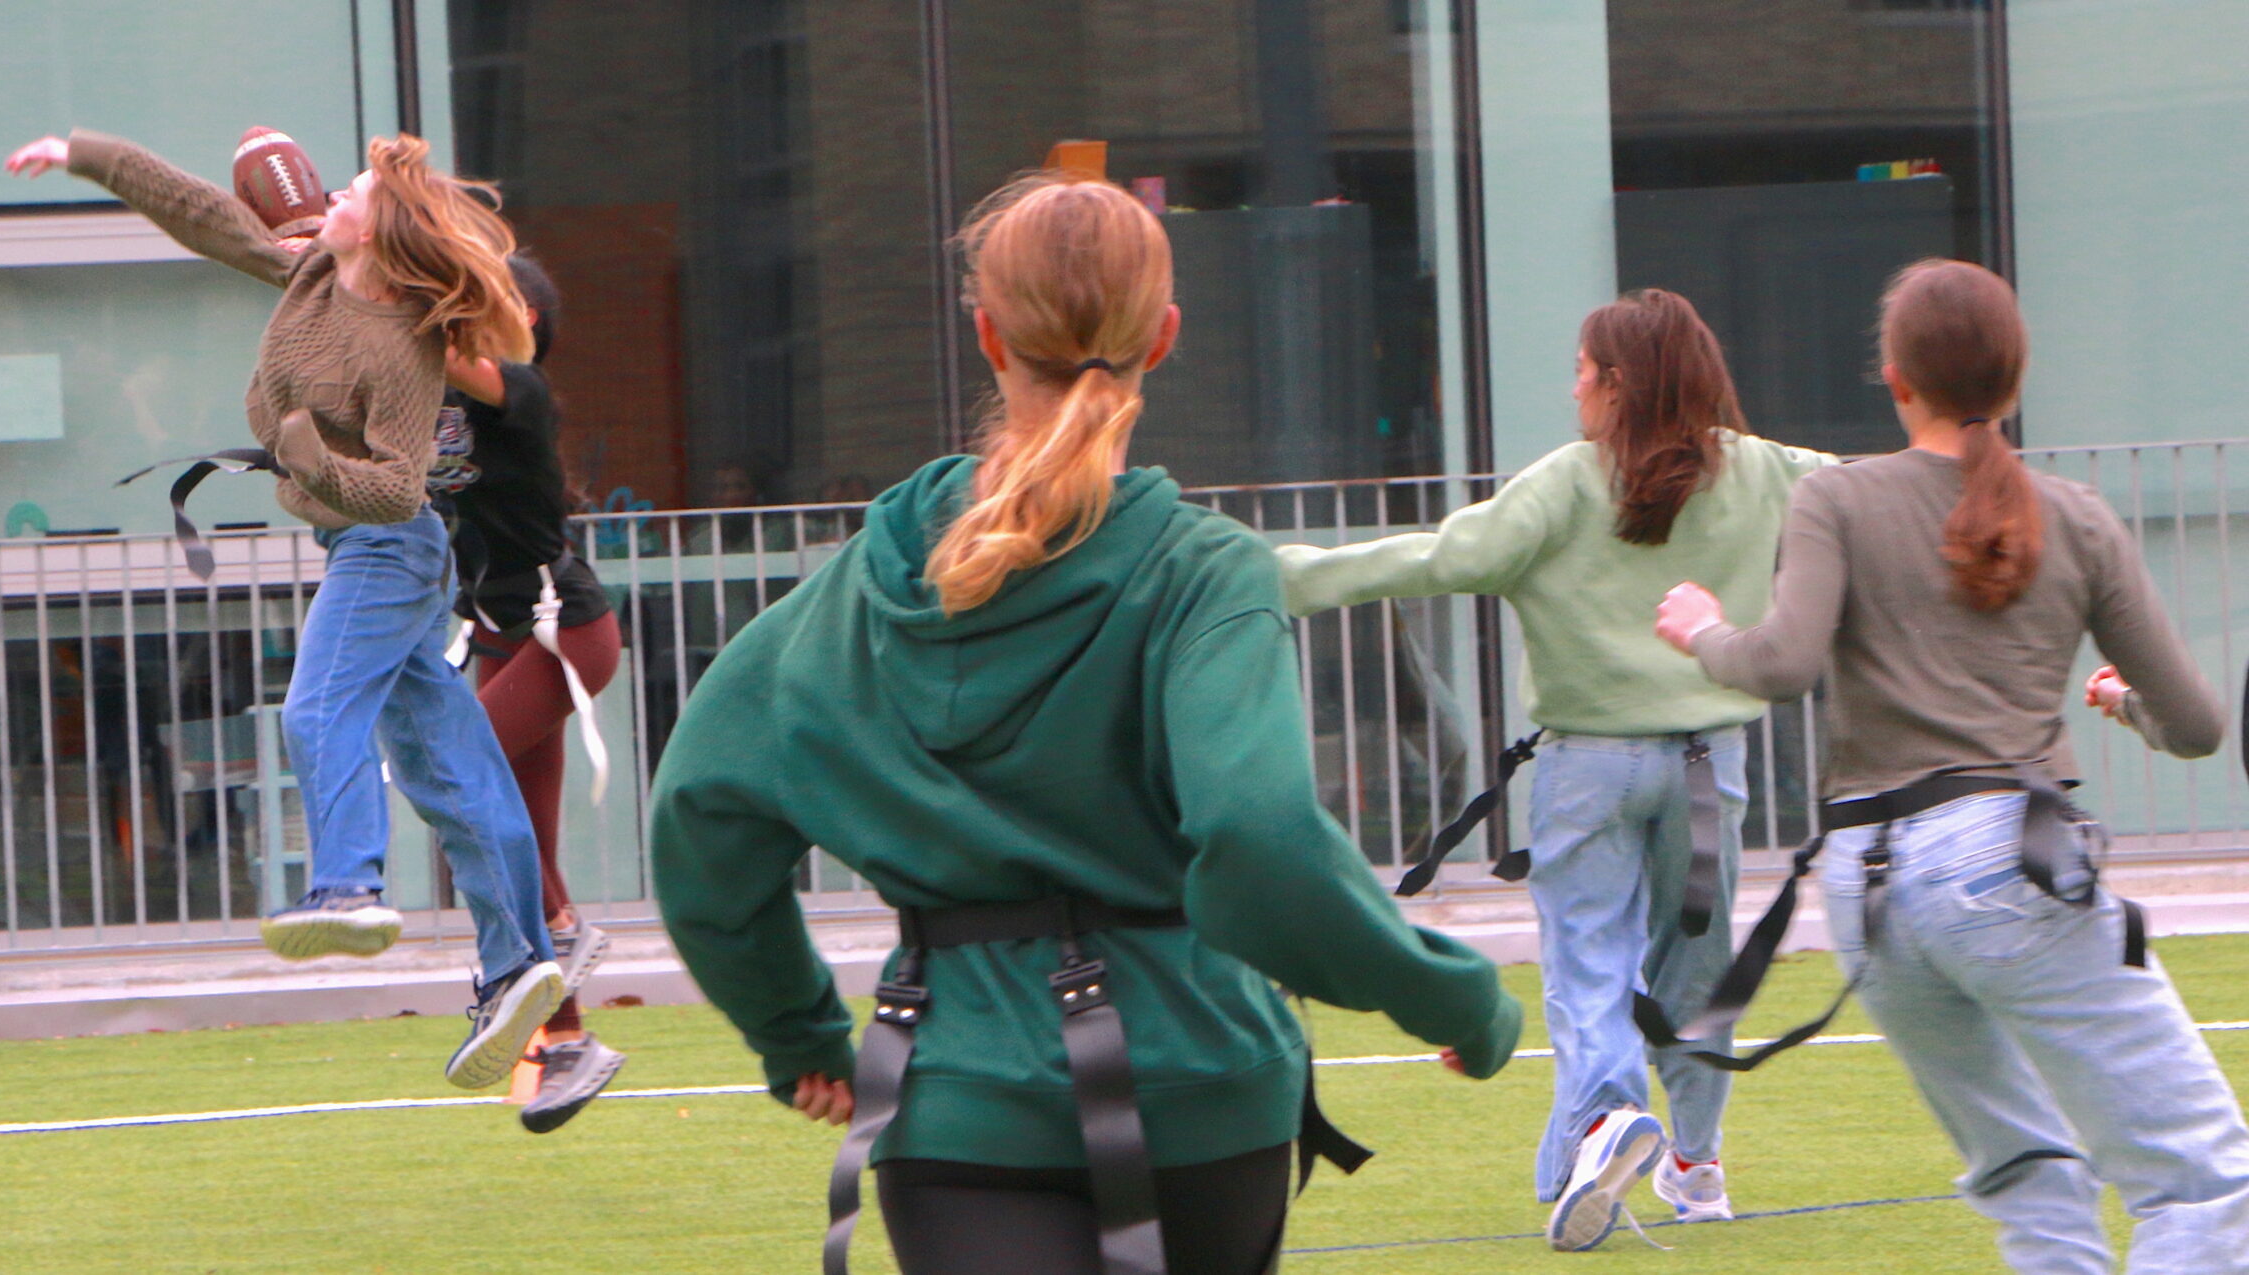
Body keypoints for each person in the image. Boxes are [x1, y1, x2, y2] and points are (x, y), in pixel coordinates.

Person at [649, 172, 1521, 1275]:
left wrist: (797, 1032)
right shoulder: (1205, 573)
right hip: (1200, 1084)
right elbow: (1257, 833)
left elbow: (700, 818)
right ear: (1162, 338)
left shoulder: (859, 589)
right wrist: (1449, 995)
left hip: (955, 1096)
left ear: (986, 332)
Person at [1657, 259, 2249, 1270]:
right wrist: (2125, 706)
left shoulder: (1835, 500)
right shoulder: (2079, 516)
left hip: (1869, 890)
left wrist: (1704, 630)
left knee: (2029, 1173)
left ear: (1895, 379)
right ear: (2014, 379)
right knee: (2201, 1181)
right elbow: (2195, 727)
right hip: (2008, 865)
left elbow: (1782, 664)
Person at [1274, 289, 1834, 1250]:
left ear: (1617, 383)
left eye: (1583, 369)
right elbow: (1895, 493)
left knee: (1591, 966)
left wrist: (1273, 574)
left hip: (1593, 768)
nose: (1572, 386)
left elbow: (1430, 557)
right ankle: (1694, 1166)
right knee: (1697, 970)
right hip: (1713, 769)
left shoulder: (1567, 482)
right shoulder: (1769, 472)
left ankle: (1607, 1127)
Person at [4, 129, 563, 1088]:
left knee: (315, 708)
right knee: (450, 762)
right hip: (358, 543)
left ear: (378, 235)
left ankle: (348, 883)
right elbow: (202, 212)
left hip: (390, 544)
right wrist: (83, 153)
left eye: (349, 191)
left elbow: (394, 487)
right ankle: (519, 960)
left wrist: (307, 458)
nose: (329, 198)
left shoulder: (400, 346)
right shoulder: (311, 272)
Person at [439, 251, 628, 1130]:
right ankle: (567, 1041)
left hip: (566, 632)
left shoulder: (520, 388)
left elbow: (422, 344)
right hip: (497, 631)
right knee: (518, 835)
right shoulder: (442, 400)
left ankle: (561, 926)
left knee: (455, 770)